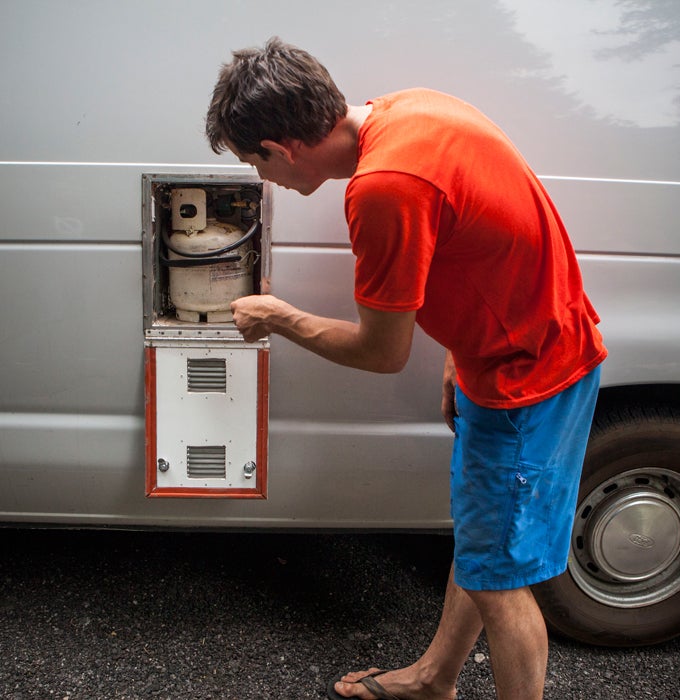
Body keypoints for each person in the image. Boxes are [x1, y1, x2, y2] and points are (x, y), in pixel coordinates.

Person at [206, 37, 607, 700]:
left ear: (281, 148)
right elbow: (489, 227)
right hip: (516, 349)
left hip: (528, 376)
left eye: (255, 162)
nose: (262, 178)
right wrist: (460, 343)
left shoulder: (382, 189)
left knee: (499, 580)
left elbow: (381, 353)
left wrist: (278, 317)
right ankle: (433, 679)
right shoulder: (411, 108)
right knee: (486, 548)